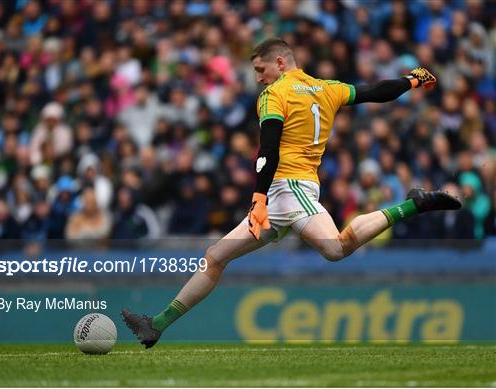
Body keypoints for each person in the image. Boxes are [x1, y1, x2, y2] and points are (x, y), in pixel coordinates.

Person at [122, 38, 461, 348]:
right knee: (216, 256)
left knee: (336, 248)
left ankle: (413, 205)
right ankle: (156, 325)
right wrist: (413, 81)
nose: (258, 78)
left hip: (288, 190)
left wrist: (258, 200)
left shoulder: (275, 94)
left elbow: (268, 150)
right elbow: (376, 91)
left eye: (260, 69)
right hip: (294, 190)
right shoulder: (327, 88)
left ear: (281, 63)